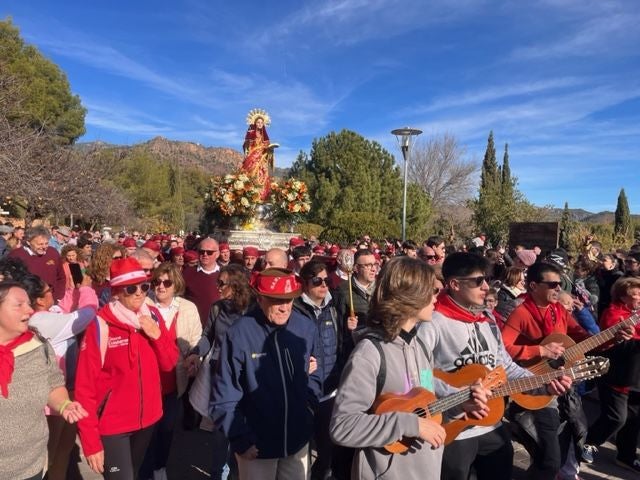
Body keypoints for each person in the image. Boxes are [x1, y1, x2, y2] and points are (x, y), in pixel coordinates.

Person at [331, 257, 488, 479]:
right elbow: (343, 427)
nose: (438, 296)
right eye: (433, 291)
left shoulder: (420, 345)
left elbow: (426, 403)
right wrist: (410, 424)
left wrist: (461, 403)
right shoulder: (369, 354)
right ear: (410, 295)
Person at [418, 252, 572, 480]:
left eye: (487, 280)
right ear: (454, 284)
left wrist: (544, 385)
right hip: (452, 428)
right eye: (478, 281)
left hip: (492, 425)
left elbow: (506, 368)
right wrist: (458, 397)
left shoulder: (488, 320)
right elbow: (419, 374)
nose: (485, 287)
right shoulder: (432, 322)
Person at [210, 267, 321, 480]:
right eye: (276, 300)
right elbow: (225, 393)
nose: (284, 307)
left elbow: (316, 372)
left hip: (297, 442)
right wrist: (241, 438)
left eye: (289, 300)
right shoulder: (239, 333)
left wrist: (309, 410)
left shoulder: (305, 327)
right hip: (256, 448)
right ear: (260, 299)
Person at [75, 258, 179, 479]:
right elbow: (84, 387)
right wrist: (90, 442)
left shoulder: (152, 316)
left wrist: (157, 336)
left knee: (136, 474)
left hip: (149, 419)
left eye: (144, 286)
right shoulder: (100, 325)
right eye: (131, 289)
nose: (139, 293)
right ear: (116, 292)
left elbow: (170, 363)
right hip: (113, 425)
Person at [502, 261, 592, 480]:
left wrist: (610, 337)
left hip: (561, 384)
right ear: (533, 286)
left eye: (560, 283)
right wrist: (539, 350)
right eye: (552, 284)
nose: (558, 288)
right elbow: (503, 348)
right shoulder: (521, 312)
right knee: (550, 458)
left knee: (557, 450)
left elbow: (580, 336)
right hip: (533, 385)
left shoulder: (558, 309)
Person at [0, 280, 88, 480]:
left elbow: (53, 383)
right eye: (19, 305)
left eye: (28, 304)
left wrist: (64, 404)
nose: (29, 311)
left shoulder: (37, 345)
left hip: (31, 465)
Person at [22, 272, 98, 480]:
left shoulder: (46, 313)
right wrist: (87, 290)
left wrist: (74, 288)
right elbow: (86, 314)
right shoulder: (40, 320)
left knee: (64, 449)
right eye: (48, 291)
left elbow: (62, 307)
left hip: (67, 391)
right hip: (53, 399)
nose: (52, 294)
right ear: (37, 300)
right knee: (49, 455)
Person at [140, 263, 202, 480]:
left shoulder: (187, 308)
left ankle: (160, 467)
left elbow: (196, 339)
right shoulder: (143, 304)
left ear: (176, 284)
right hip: (147, 380)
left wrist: (194, 357)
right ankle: (145, 471)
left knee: (166, 429)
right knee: (147, 432)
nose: (161, 287)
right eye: (156, 282)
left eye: (166, 282)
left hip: (174, 380)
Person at [293, 261, 343, 480]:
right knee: (299, 455)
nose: (323, 285)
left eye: (327, 281)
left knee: (327, 453)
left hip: (331, 391)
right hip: (303, 392)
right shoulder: (294, 310)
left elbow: (342, 345)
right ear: (305, 284)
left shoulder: (335, 306)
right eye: (317, 281)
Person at [585, 276, 640, 473]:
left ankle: (626, 456)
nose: (639, 298)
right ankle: (588, 442)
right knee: (616, 417)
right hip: (617, 374)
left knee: (633, 419)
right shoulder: (613, 313)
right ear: (623, 297)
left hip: (636, 376)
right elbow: (620, 343)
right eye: (635, 295)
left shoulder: (636, 312)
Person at [8, 225, 66, 301]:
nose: (44, 247)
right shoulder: (15, 255)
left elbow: (61, 277)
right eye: (40, 244)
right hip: (27, 302)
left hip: (51, 301)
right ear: (28, 242)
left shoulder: (53, 252)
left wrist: (58, 297)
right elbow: (10, 282)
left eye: (46, 243)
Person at [182, 237, 221, 326]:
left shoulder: (226, 274)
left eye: (209, 252)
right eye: (201, 251)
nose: (205, 254)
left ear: (217, 254)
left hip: (218, 327)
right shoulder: (187, 273)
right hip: (193, 326)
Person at [241, 111, 276, 201]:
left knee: (263, 175)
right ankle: (250, 195)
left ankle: (261, 196)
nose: (260, 124)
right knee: (251, 173)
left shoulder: (264, 136)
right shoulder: (252, 133)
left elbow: (268, 147)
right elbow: (247, 145)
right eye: (258, 122)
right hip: (253, 157)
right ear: (255, 123)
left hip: (262, 158)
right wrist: (249, 141)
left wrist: (270, 149)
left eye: (261, 122)